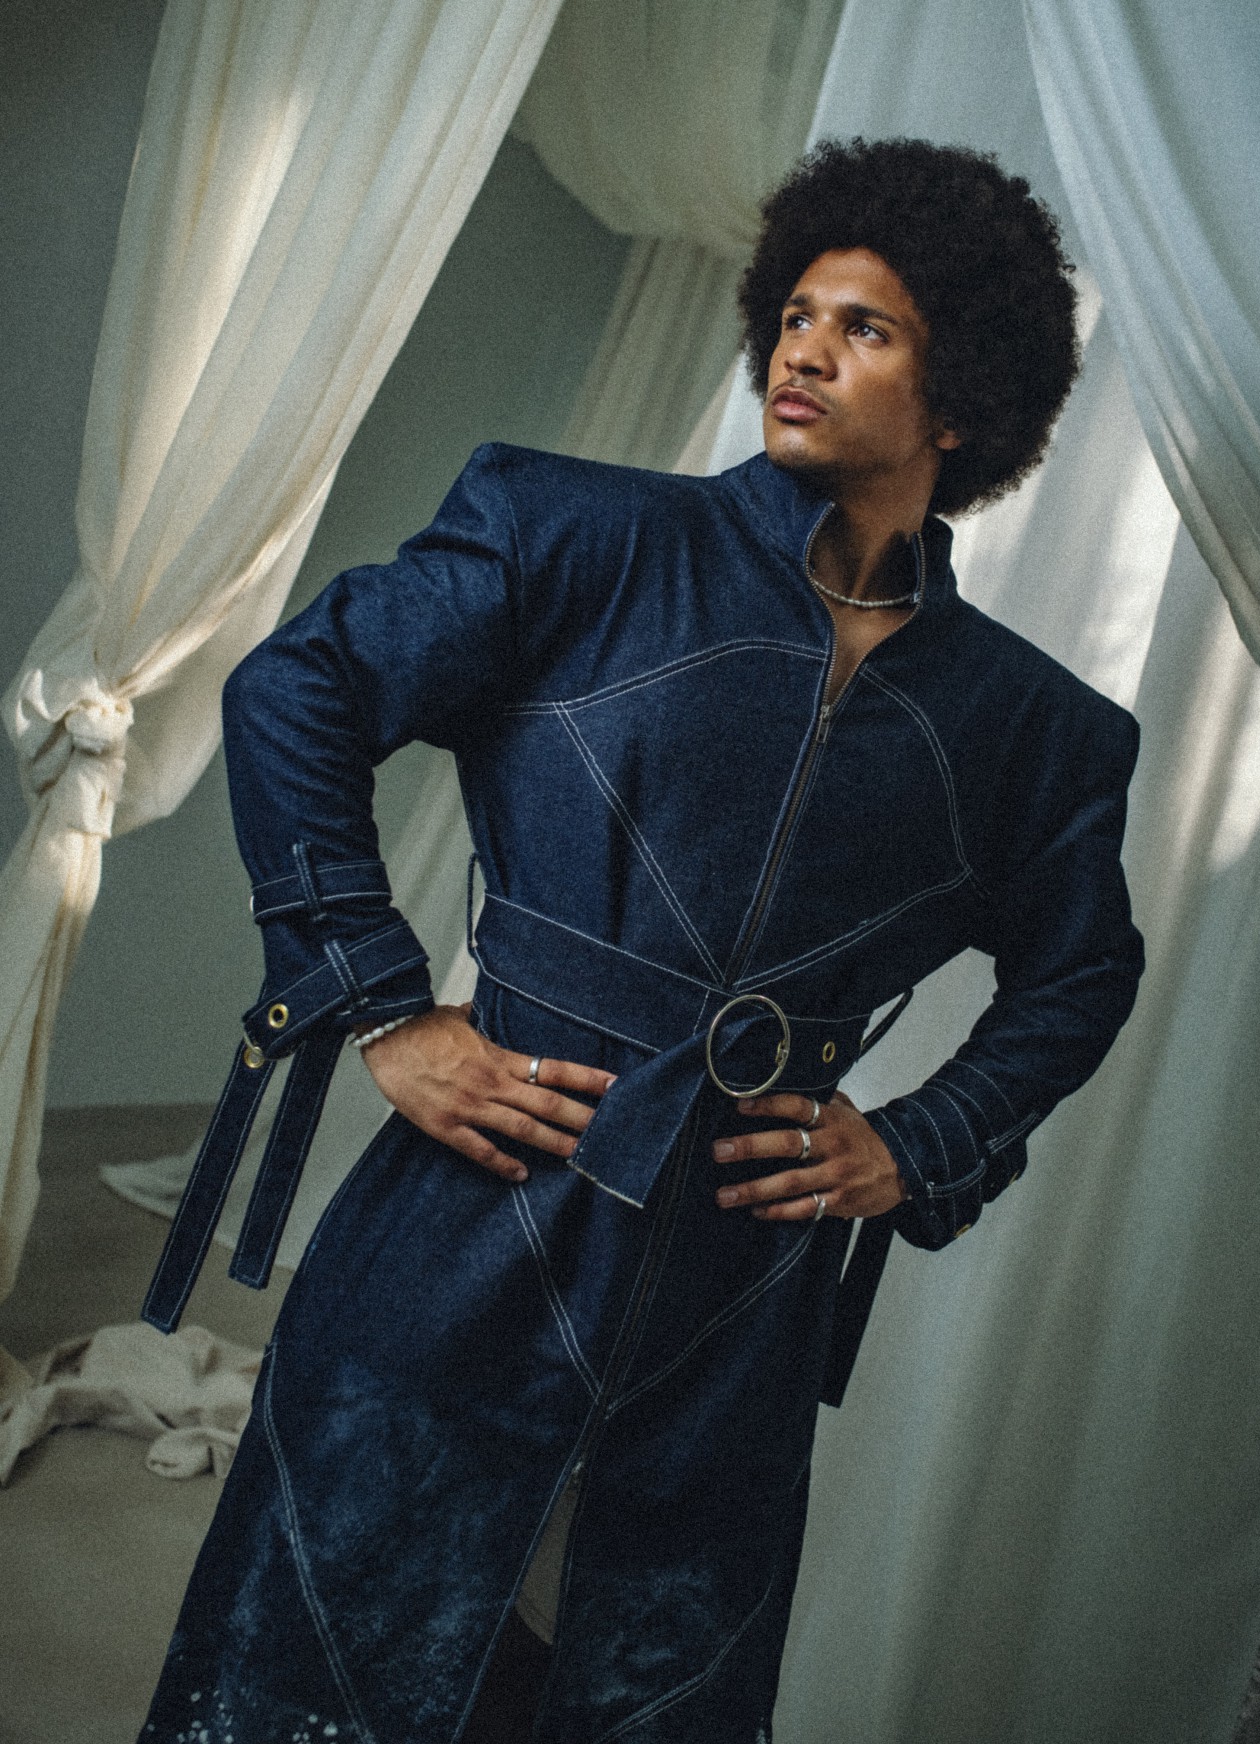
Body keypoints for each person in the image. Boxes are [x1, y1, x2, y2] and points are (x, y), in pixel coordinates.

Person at [139, 137, 1143, 1744]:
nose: (804, 349)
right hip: (474, 1219)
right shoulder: (573, 532)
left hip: (733, 1305)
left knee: (635, 1694)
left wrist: (916, 1142)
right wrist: (387, 1008)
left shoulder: (1033, 727)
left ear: (961, 399)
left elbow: (1082, 969)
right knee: (316, 1661)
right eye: (795, 313)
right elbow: (296, 691)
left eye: (865, 328)